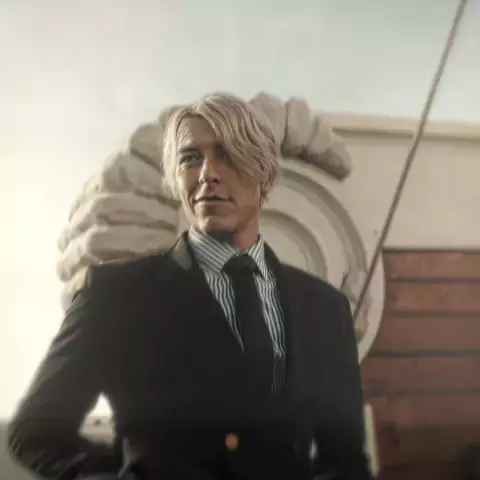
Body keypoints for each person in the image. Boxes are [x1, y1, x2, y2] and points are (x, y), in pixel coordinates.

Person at [8, 93, 372, 480]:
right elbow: (35, 434)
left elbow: (345, 461)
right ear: (174, 179)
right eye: (190, 158)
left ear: (265, 174)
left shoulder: (325, 308)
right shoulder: (114, 296)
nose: (207, 173)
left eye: (228, 154)